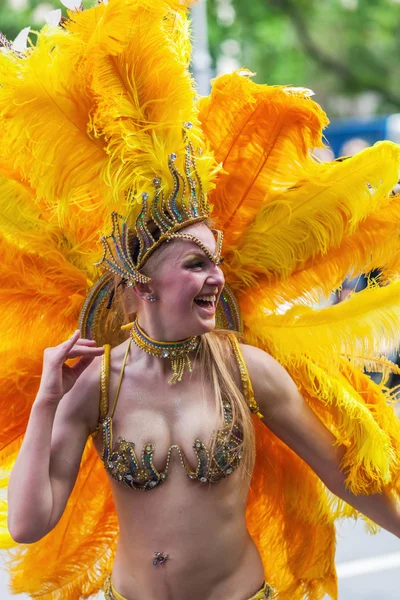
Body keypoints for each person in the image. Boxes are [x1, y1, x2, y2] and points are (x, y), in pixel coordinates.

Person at [2, 1, 400, 599]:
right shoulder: (98, 385)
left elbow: (341, 473)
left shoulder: (245, 369)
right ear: (141, 287)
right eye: (196, 264)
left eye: (216, 261)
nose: (217, 277)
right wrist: (47, 400)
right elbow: (30, 523)